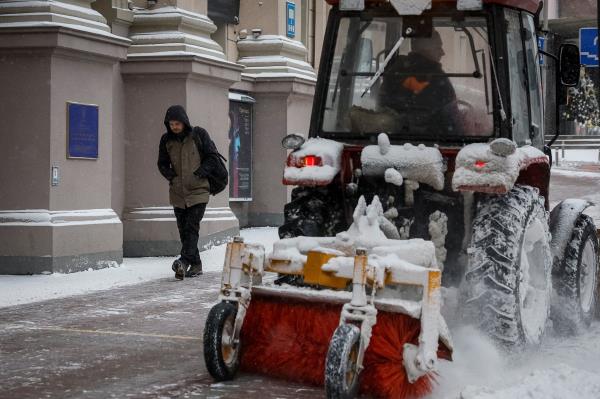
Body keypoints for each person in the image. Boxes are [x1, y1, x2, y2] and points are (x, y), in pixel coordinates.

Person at [157, 105, 218, 280]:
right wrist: (172, 177)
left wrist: (199, 174)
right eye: (171, 124)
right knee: (184, 230)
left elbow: (212, 157)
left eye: (177, 123)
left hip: (199, 191)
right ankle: (196, 264)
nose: (174, 127)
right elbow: (161, 163)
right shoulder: (166, 140)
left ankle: (183, 261)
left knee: (192, 227)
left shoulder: (199, 135)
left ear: (184, 122)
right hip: (178, 192)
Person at [381, 30, 461, 136]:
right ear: (425, 49)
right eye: (438, 47)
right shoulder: (435, 78)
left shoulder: (395, 71)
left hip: (392, 137)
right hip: (434, 140)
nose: (442, 52)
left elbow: (384, 103)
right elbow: (449, 116)